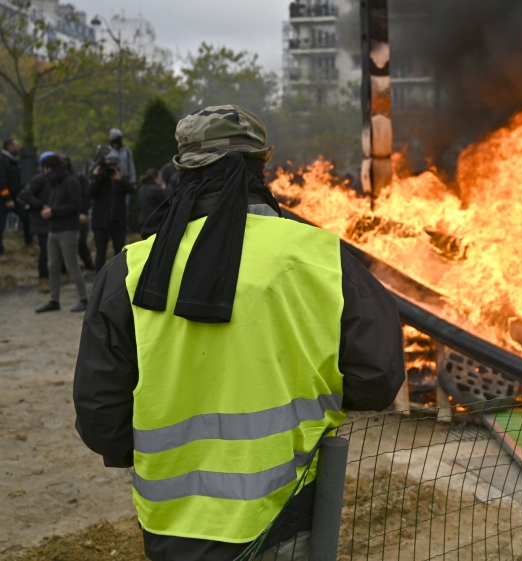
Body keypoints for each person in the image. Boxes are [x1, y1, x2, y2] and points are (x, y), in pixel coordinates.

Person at [74, 105, 405, 561]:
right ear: (263, 162)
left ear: (183, 167)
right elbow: (378, 379)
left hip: (172, 527)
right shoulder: (323, 257)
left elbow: (100, 417)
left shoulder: (128, 271)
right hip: (285, 515)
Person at [25, 154, 88, 312]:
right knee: (52, 266)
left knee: (72, 265)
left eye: (47, 168)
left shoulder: (70, 182)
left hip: (68, 229)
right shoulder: (55, 183)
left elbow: (74, 205)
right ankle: (54, 300)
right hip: (54, 230)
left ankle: (84, 299)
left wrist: (53, 211)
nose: (45, 172)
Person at [89, 151, 135, 272]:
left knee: (120, 251)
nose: (112, 169)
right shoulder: (100, 180)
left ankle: (119, 275)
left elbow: (132, 190)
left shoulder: (121, 180)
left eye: (115, 165)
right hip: (101, 223)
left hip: (118, 222)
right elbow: (90, 193)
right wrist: (96, 177)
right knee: (100, 251)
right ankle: (99, 276)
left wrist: (119, 179)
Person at [17, 154, 54, 293]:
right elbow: (24, 195)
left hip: (53, 221)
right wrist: (41, 205)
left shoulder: (56, 179)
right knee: (45, 251)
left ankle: (56, 276)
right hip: (41, 221)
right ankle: (43, 280)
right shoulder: (40, 179)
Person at [64, 154, 95, 271]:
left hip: (77, 215)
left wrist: (84, 212)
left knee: (81, 242)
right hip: (64, 215)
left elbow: (87, 196)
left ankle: (88, 263)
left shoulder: (78, 177)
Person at [0, 138, 29, 260]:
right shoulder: (3, 160)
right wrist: (7, 199)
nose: (19, 148)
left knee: (26, 216)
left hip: (15, 197)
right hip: (3, 198)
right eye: (17, 146)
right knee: (0, 225)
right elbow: (1, 182)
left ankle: (29, 242)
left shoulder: (13, 161)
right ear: (10, 147)